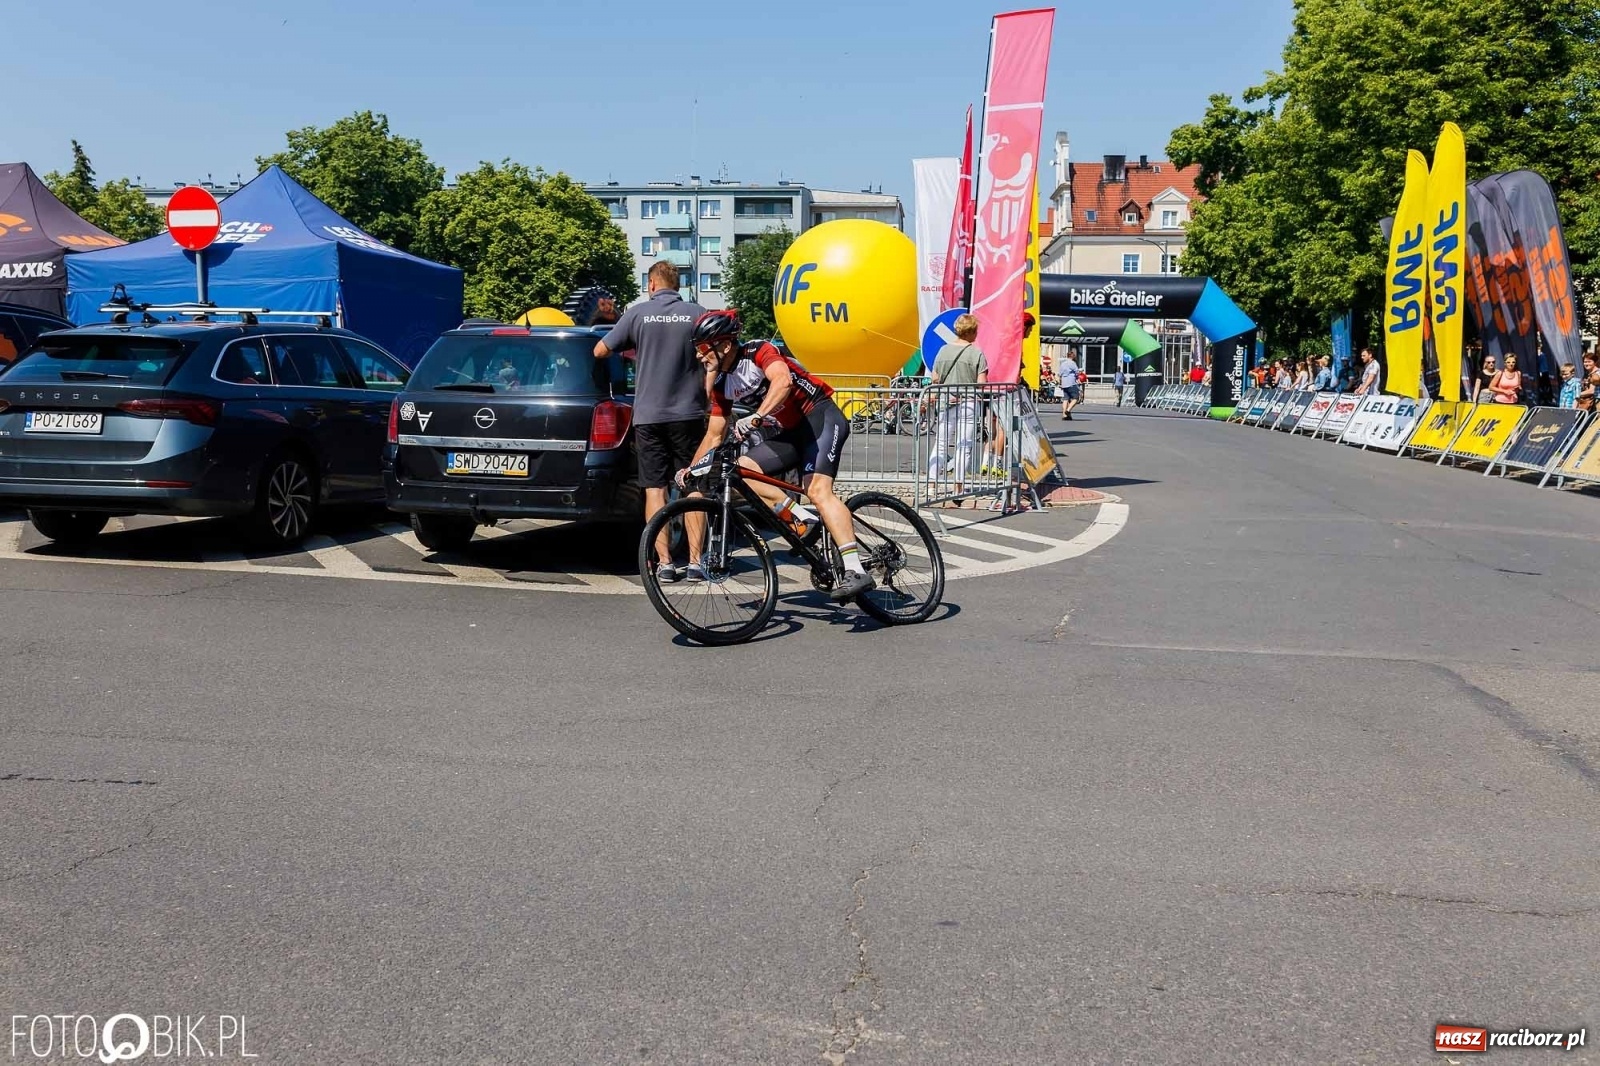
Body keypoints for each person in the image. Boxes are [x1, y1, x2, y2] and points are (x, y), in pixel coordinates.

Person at [682, 310, 875, 601]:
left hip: (821, 417)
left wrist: (758, 416)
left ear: (723, 345)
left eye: (702, 348)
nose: (699, 356)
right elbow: (714, 434)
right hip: (791, 431)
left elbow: (782, 381)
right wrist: (693, 468)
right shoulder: (722, 384)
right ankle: (800, 517)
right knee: (741, 471)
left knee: (818, 491)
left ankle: (855, 569)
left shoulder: (758, 351)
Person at [594, 261, 706, 583]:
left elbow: (600, 350)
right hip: (688, 415)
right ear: (678, 285)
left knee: (654, 488)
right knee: (693, 487)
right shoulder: (696, 313)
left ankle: (665, 563)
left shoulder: (637, 314)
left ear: (652, 285)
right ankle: (697, 562)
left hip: (649, 416)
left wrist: (633, 344)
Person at [928, 312, 988, 492]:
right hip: (968, 402)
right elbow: (981, 383)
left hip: (946, 401)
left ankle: (932, 483)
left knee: (941, 443)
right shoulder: (976, 354)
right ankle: (958, 486)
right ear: (971, 332)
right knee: (964, 444)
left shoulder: (943, 351)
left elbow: (935, 378)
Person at [1058, 347, 1083, 419]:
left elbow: (1060, 374)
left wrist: (1060, 382)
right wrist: (1077, 377)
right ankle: (1068, 411)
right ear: (1073, 357)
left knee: (1066, 399)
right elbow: (1077, 372)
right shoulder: (1072, 363)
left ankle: (1064, 415)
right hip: (1071, 383)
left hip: (1064, 383)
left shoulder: (1063, 364)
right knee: (1076, 398)